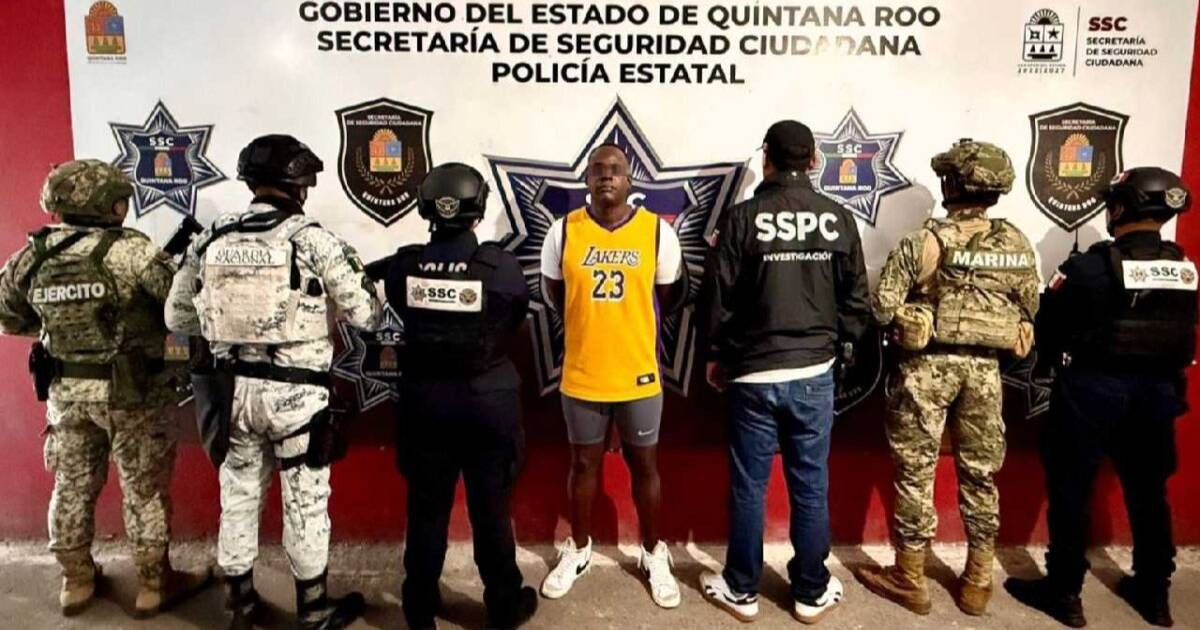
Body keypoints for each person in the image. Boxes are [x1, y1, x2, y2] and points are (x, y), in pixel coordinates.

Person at [165, 135, 382, 630]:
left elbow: (176, 315)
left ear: (251, 183)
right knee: (305, 500)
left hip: (232, 394)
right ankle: (314, 610)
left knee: (238, 493)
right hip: (297, 397)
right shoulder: (313, 240)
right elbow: (366, 315)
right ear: (300, 185)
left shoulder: (211, 237)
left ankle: (239, 605)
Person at [0, 160, 211, 618]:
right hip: (135, 395)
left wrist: (65, 333)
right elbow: (182, 310)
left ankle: (75, 581)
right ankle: (154, 584)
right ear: (109, 205)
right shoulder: (132, 252)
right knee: (144, 491)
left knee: (71, 486)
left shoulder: (32, 255)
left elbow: (9, 318)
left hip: (67, 393)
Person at [1006, 168, 1196, 628]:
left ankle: (1065, 591)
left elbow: (1046, 326)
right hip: (1156, 397)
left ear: (1123, 208)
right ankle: (1155, 593)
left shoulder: (1088, 268)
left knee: (1071, 492)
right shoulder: (1184, 269)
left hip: (1091, 393)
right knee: (1149, 494)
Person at [696, 120, 869, 623]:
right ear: (813, 161)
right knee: (810, 484)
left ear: (766, 158)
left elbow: (718, 299)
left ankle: (741, 588)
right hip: (814, 372)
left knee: (749, 486)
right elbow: (856, 301)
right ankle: (811, 591)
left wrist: (716, 354)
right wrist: (837, 348)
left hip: (752, 374)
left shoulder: (741, 218)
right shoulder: (838, 218)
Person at [858, 139, 1040, 616]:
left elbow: (882, 308)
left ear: (952, 185)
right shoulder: (1017, 243)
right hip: (986, 373)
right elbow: (1030, 307)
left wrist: (915, 314)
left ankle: (909, 577)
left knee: (916, 472)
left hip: (926, 371)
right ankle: (978, 582)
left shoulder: (925, 241)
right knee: (981, 475)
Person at [382, 163, 537, 629]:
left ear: (426, 207)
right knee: (491, 510)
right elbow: (513, 317)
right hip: (487, 403)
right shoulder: (501, 268)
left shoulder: (403, 267)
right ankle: (504, 606)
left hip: (425, 404)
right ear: (478, 209)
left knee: (426, 510)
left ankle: (419, 607)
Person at [538, 143, 688, 608]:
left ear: (629, 180)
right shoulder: (563, 231)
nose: (606, 176)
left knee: (645, 468)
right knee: (583, 465)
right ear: (586, 179)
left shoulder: (657, 233)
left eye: (616, 169)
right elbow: (554, 293)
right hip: (582, 373)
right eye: (598, 170)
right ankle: (579, 548)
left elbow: (669, 296)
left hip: (638, 373)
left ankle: (653, 552)